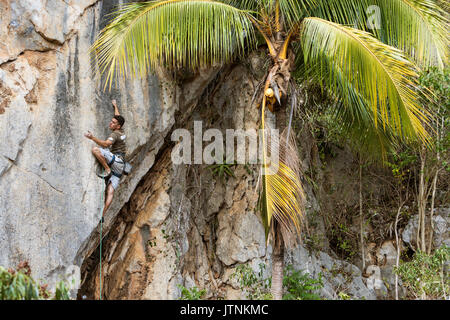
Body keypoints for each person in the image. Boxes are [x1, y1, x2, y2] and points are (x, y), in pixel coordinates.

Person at [84, 99, 127, 221]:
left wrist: (92, 137)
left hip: (116, 161)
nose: (110, 123)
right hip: (120, 165)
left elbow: (106, 144)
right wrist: (115, 105)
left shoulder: (115, 134)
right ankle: (102, 215)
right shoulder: (121, 129)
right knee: (111, 190)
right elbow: (118, 116)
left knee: (95, 150)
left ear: (118, 126)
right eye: (111, 121)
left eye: (113, 123)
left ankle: (107, 170)